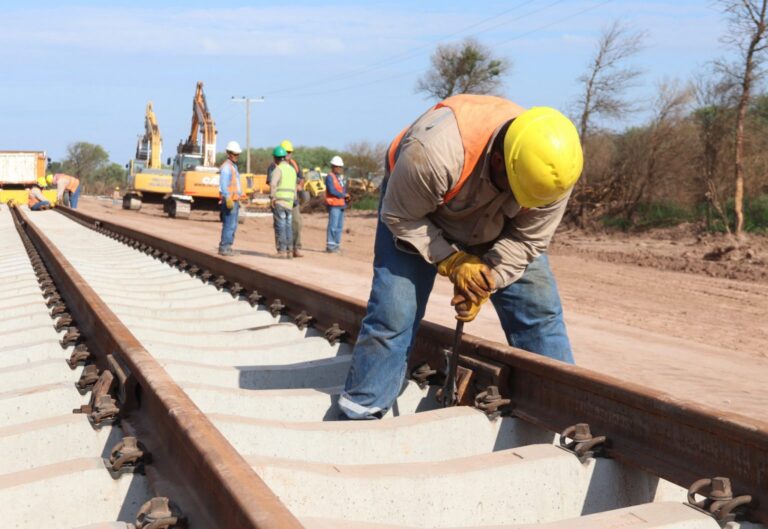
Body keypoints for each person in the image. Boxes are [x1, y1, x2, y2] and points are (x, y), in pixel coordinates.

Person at [337, 94, 583, 420]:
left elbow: (527, 239)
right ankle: (360, 413)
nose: (517, 198)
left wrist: (488, 278)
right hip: (419, 216)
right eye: (513, 189)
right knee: (394, 314)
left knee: (540, 315)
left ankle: (560, 417)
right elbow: (399, 216)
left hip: (497, 225)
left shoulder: (554, 174)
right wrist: (451, 261)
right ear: (498, 161)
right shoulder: (435, 153)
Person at [267, 140, 304, 257]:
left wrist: (273, 198)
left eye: (290, 152)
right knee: (284, 225)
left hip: (286, 200)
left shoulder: (291, 166)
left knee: (289, 224)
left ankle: (289, 249)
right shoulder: (274, 167)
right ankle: (284, 250)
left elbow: (273, 184)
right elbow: (271, 183)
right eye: (286, 152)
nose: (288, 154)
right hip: (288, 200)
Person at [218, 141, 242, 257]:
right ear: (229, 153)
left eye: (237, 154)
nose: (236, 156)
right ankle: (224, 247)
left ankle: (227, 246)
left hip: (234, 200)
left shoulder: (233, 167)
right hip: (230, 200)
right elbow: (223, 184)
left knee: (233, 224)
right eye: (234, 154)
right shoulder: (227, 167)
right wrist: (227, 197)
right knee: (229, 224)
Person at [325, 155, 349, 253]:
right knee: (333, 226)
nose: (339, 169)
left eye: (340, 167)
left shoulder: (340, 178)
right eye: (337, 167)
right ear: (333, 166)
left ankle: (336, 245)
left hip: (341, 205)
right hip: (334, 205)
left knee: (339, 227)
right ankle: (330, 246)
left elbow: (343, 189)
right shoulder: (330, 177)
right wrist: (343, 195)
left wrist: (345, 196)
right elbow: (332, 190)